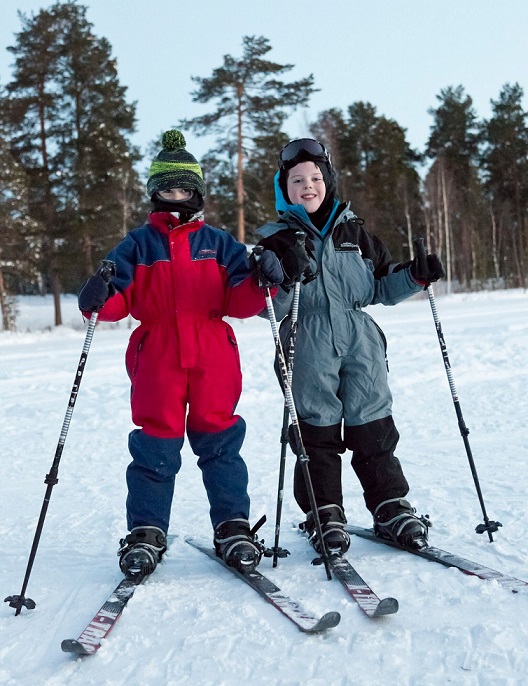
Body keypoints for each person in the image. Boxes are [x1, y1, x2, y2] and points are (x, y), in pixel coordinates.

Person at [78, 130, 283, 576]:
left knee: (221, 443)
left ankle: (233, 526)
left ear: (197, 192)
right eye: (168, 189)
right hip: (157, 361)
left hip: (213, 357)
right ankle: (146, 532)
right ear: (154, 193)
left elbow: (242, 301)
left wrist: (263, 279)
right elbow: (115, 302)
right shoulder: (137, 245)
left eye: (185, 189)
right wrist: (96, 294)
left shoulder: (220, 243)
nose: (176, 197)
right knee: (155, 446)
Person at [256, 138, 445, 554]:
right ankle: (324, 513)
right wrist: (281, 274)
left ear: (330, 182)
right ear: (283, 189)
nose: (308, 186)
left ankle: (390, 506)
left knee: (373, 426)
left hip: (361, 344)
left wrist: (414, 276)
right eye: (297, 180)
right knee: (316, 431)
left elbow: (379, 285)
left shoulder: (355, 233)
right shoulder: (274, 242)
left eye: (316, 178)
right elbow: (266, 305)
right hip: (306, 343)